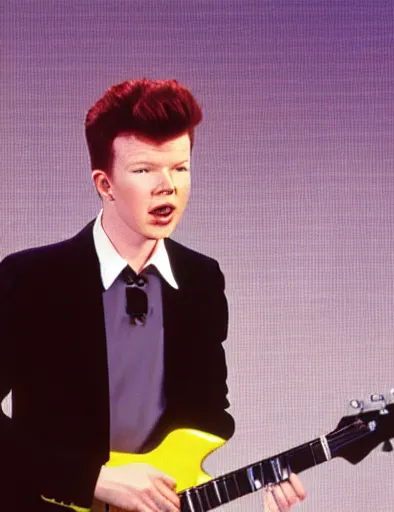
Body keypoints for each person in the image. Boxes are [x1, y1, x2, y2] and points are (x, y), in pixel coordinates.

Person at [0, 79, 306, 512]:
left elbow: (206, 419)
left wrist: (250, 492)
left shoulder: (202, 280)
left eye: (180, 168)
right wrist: (93, 479)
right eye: (144, 170)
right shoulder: (30, 278)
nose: (168, 187)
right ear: (104, 183)